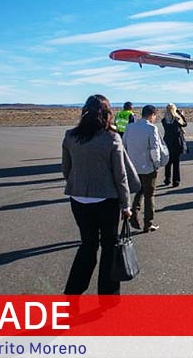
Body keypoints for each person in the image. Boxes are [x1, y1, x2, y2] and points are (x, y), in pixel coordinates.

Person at [62, 94, 135, 295]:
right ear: (107, 114)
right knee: (109, 247)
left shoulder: (70, 136)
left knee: (88, 245)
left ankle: (73, 291)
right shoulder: (112, 138)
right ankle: (108, 294)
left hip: (78, 199)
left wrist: (79, 184)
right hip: (106, 200)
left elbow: (66, 169)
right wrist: (126, 204)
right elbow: (120, 175)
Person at [123, 105, 167, 233]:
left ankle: (134, 214)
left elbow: (124, 145)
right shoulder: (151, 128)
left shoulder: (129, 127)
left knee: (140, 190)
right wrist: (157, 163)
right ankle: (148, 223)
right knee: (149, 195)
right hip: (148, 167)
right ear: (152, 115)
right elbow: (155, 149)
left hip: (133, 167)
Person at [161, 103, 187, 187]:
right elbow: (184, 124)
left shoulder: (164, 120)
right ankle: (176, 180)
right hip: (176, 142)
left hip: (168, 141)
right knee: (176, 163)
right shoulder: (176, 119)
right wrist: (181, 115)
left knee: (168, 162)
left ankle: (167, 179)